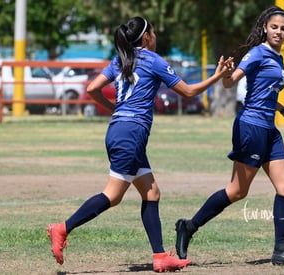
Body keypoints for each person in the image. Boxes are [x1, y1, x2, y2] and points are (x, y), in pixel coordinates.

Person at [46, 16, 233, 273]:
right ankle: (62, 228)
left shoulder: (122, 59)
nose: (155, 37)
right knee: (112, 196)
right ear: (147, 37)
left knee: (151, 192)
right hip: (131, 134)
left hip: (119, 130)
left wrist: (116, 109)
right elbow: (188, 92)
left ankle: (159, 256)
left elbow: (92, 89)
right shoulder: (153, 60)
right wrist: (218, 76)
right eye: (153, 33)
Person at [175, 6, 284, 266]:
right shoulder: (257, 53)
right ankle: (188, 226)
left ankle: (281, 251)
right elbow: (231, 82)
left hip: (270, 130)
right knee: (238, 191)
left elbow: (265, 92)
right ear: (265, 28)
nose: (279, 32)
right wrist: (226, 73)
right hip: (250, 127)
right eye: (274, 27)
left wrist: (283, 110)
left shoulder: (277, 57)